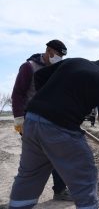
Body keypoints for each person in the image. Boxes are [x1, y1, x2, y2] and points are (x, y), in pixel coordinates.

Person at [8, 53, 99, 209]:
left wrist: (47, 100)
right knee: (85, 173)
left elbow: (41, 75)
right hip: (59, 127)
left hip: (33, 120)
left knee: (30, 174)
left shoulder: (73, 62)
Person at [11, 39, 72, 201]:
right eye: (57, 54)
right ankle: (20, 197)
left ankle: (59, 190)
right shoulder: (29, 67)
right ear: (49, 51)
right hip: (30, 121)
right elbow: (17, 93)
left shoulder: (56, 68)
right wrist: (18, 118)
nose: (59, 58)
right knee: (32, 160)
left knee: (57, 155)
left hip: (51, 120)